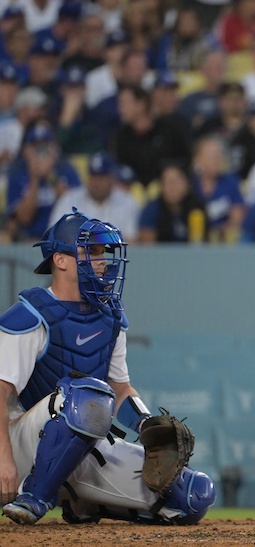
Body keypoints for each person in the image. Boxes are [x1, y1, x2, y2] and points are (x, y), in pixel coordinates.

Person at [0, 209, 216, 525]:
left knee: (193, 496)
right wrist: (4, 461)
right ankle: (34, 495)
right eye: (91, 252)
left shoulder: (109, 315)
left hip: (81, 445)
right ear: (60, 260)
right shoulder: (30, 314)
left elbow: (120, 388)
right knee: (88, 396)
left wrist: (145, 424)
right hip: (21, 445)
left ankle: (84, 501)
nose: (102, 260)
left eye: (103, 252)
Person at [6, 120, 81, 242]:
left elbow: (75, 208)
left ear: (54, 148)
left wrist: (50, 175)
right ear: (25, 150)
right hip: (30, 241)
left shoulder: (66, 169)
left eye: (44, 146)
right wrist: (34, 178)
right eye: (35, 147)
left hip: (64, 239)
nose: (40, 152)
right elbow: (24, 218)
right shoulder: (17, 174)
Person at [49, 151, 142, 241]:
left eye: (101, 177)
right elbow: (54, 236)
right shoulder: (69, 199)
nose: (96, 183)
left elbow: (132, 242)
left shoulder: (127, 201)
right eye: (93, 176)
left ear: (112, 178)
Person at [138, 161, 208, 243]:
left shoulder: (197, 207)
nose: (172, 187)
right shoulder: (152, 209)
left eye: (177, 181)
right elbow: (147, 247)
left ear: (187, 184)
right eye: (167, 182)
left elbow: (205, 243)